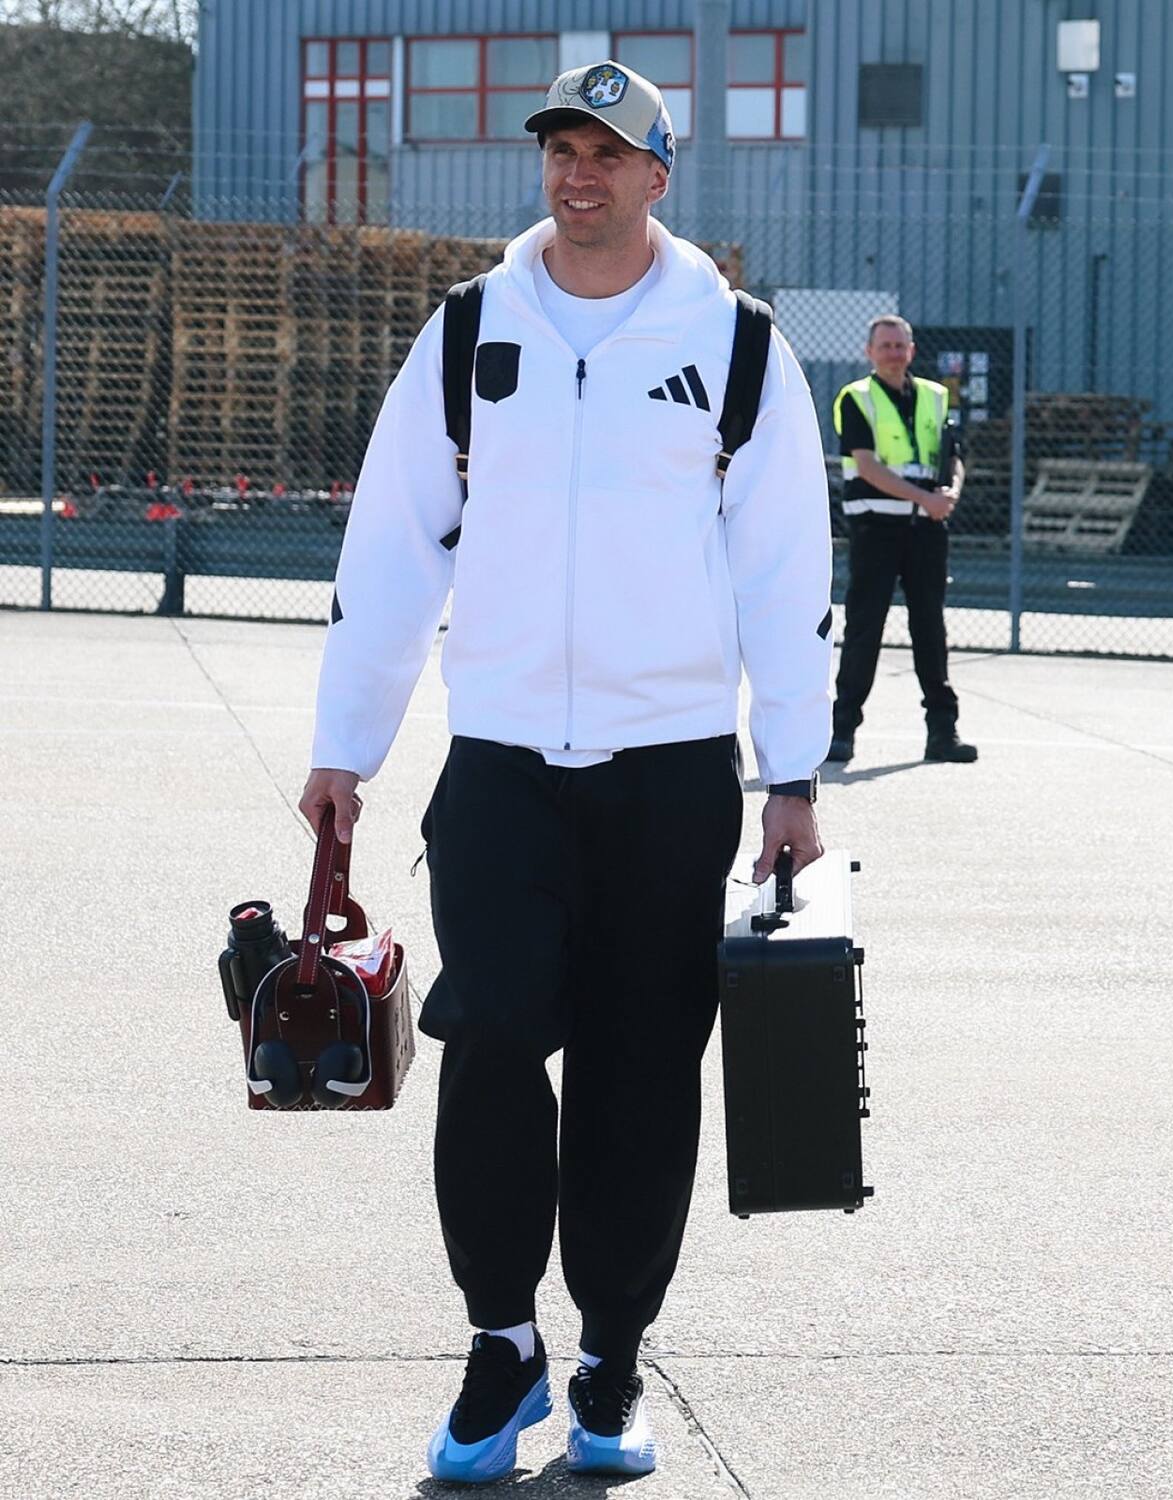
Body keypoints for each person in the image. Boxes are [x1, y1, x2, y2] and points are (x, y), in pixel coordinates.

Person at [299, 59, 832, 1485]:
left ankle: (608, 1359)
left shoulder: (734, 346)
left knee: (643, 1073)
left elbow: (786, 567)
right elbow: (393, 545)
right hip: (504, 769)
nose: (576, 173)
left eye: (607, 152)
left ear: (662, 174)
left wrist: (794, 768)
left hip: (668, 777)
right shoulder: (473, 331)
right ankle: (501, 1348)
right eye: (560, 150)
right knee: (486, 1048)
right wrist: (343, 747)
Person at [828, 314, 977, 764]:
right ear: (869, 352)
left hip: (926, 531)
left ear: (911, 351)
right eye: (885, 345)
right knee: (864, 629)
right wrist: (923, 498)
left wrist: (951, 492)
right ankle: (841, 732)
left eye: (900, 345)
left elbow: (953, 457)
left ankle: (942, 733)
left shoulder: (935, 397)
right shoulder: (856, 399)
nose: (893, 353)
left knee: (930, 629)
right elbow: (868, 467)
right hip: (876, 529)